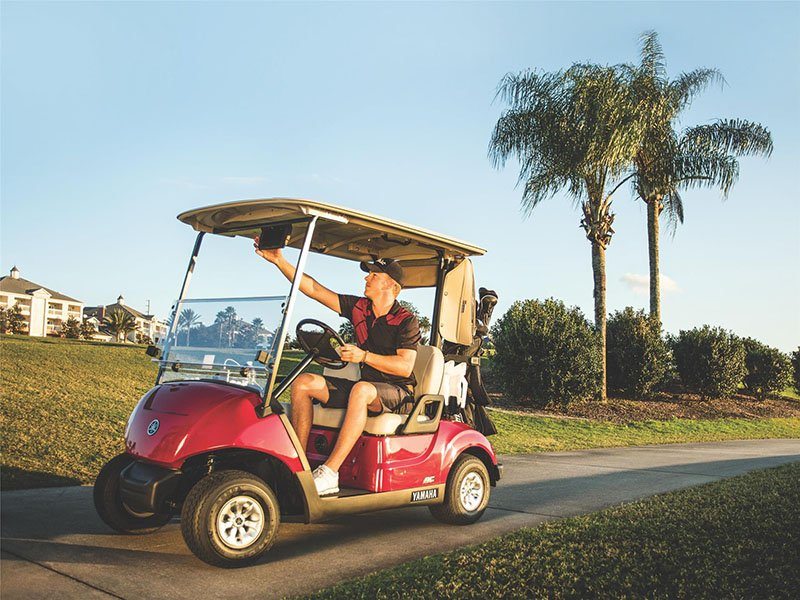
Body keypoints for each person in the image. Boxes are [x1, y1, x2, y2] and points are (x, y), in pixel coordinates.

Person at [254, 239, 421, 495]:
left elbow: (404, 367)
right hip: (365, 387)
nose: (366, 278)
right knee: (304, 383)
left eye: (374, 275)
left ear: (391, 285)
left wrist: (364, 356)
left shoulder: (406, 321)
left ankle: (330, 472)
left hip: (398, 392)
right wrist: (279, 260)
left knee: (361, 390)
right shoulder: (360, 308)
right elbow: (313, 289)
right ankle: (299, 468)